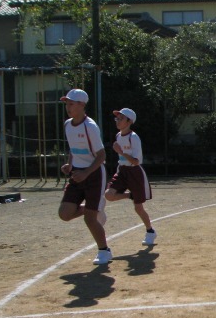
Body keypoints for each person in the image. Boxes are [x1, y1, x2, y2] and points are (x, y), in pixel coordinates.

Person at [57, 89, 110, 265]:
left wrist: (86, 172)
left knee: (89, 219)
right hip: (77, 174)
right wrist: (69, 165)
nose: (68, 107)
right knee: (64, 214)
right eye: (66, 103)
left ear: (82, 105)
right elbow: (73, 148)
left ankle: (104, 251)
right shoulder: (67, 125)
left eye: (71, 104)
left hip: (94, 175)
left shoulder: (90, 127)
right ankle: (94, 208)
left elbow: (101, 155)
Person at [104, 108, 156, 245]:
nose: (117, 121)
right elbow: (122, 159)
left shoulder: (134, 137)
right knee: (109, 195)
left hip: (135, 172)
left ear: (129, 121)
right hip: (122, 171)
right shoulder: (118, 136)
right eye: (117, 118)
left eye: (121, 118)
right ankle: (129, 195)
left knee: (138, 207)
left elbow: (136, 161)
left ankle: (150, 231)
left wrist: (121, 152)